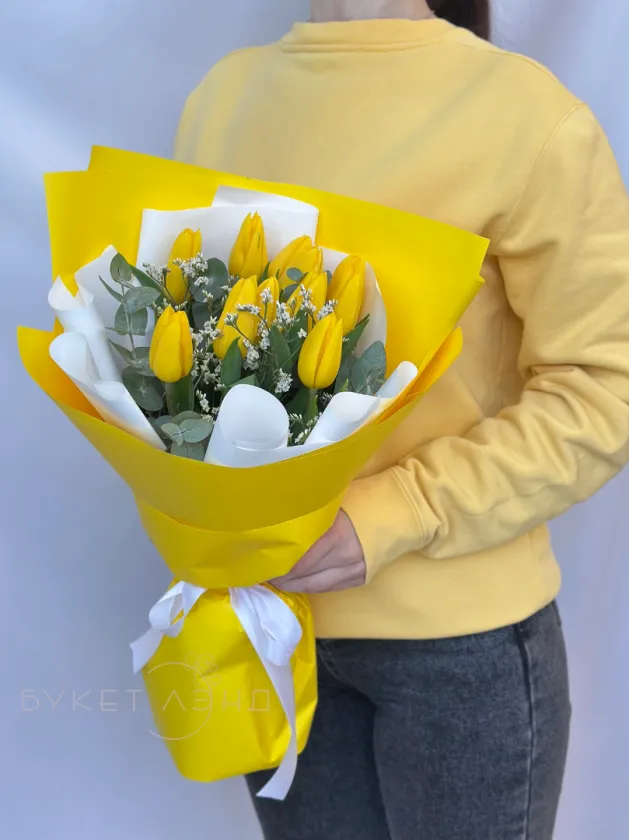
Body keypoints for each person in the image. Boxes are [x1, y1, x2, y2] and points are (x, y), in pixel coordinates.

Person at [175, 1, 629, 837]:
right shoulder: (221, 97)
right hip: (271, 625)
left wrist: (390, 513)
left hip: (459, 647)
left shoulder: (526, 114)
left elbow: (602, 392)